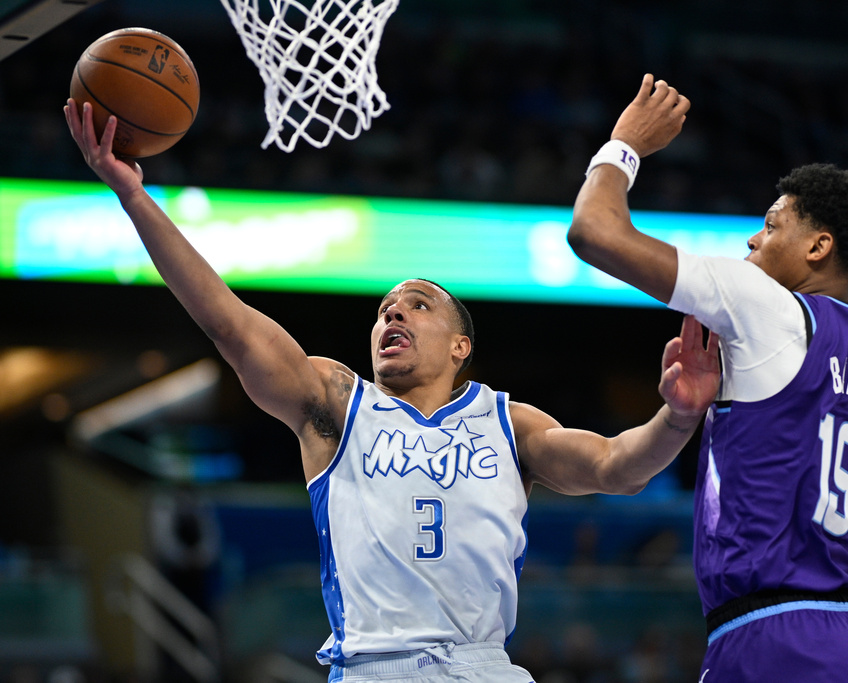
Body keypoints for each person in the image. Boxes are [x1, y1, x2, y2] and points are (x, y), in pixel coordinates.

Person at [64, 98, 722, 682]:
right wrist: (134, 198)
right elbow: (227, 322)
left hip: (485, 666)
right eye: (383, 309)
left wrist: (678, 412)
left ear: (460, 346)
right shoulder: (334, 403)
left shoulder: (509, 422)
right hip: (376, 667)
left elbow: (617, 466)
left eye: (416, 305)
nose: (393, 314)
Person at [568, 74, 848, 682]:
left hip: (773, 641)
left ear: (818, 247)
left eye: (770, 224)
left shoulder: (762, 302)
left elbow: (594, 234)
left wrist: (623, 144)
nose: (752, 237)